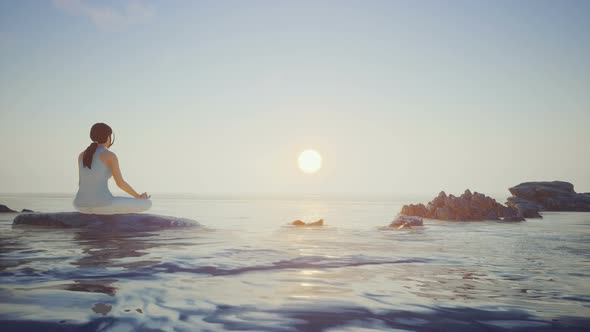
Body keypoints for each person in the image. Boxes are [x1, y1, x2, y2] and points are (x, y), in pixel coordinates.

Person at [73, 123, 152, 215]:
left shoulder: (82, 155)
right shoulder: (110, 156)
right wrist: (138, 196)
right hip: (103, 205)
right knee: (147, 203)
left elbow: (81, 183)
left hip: (79, 204)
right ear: (108, 137)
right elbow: (120, 183)